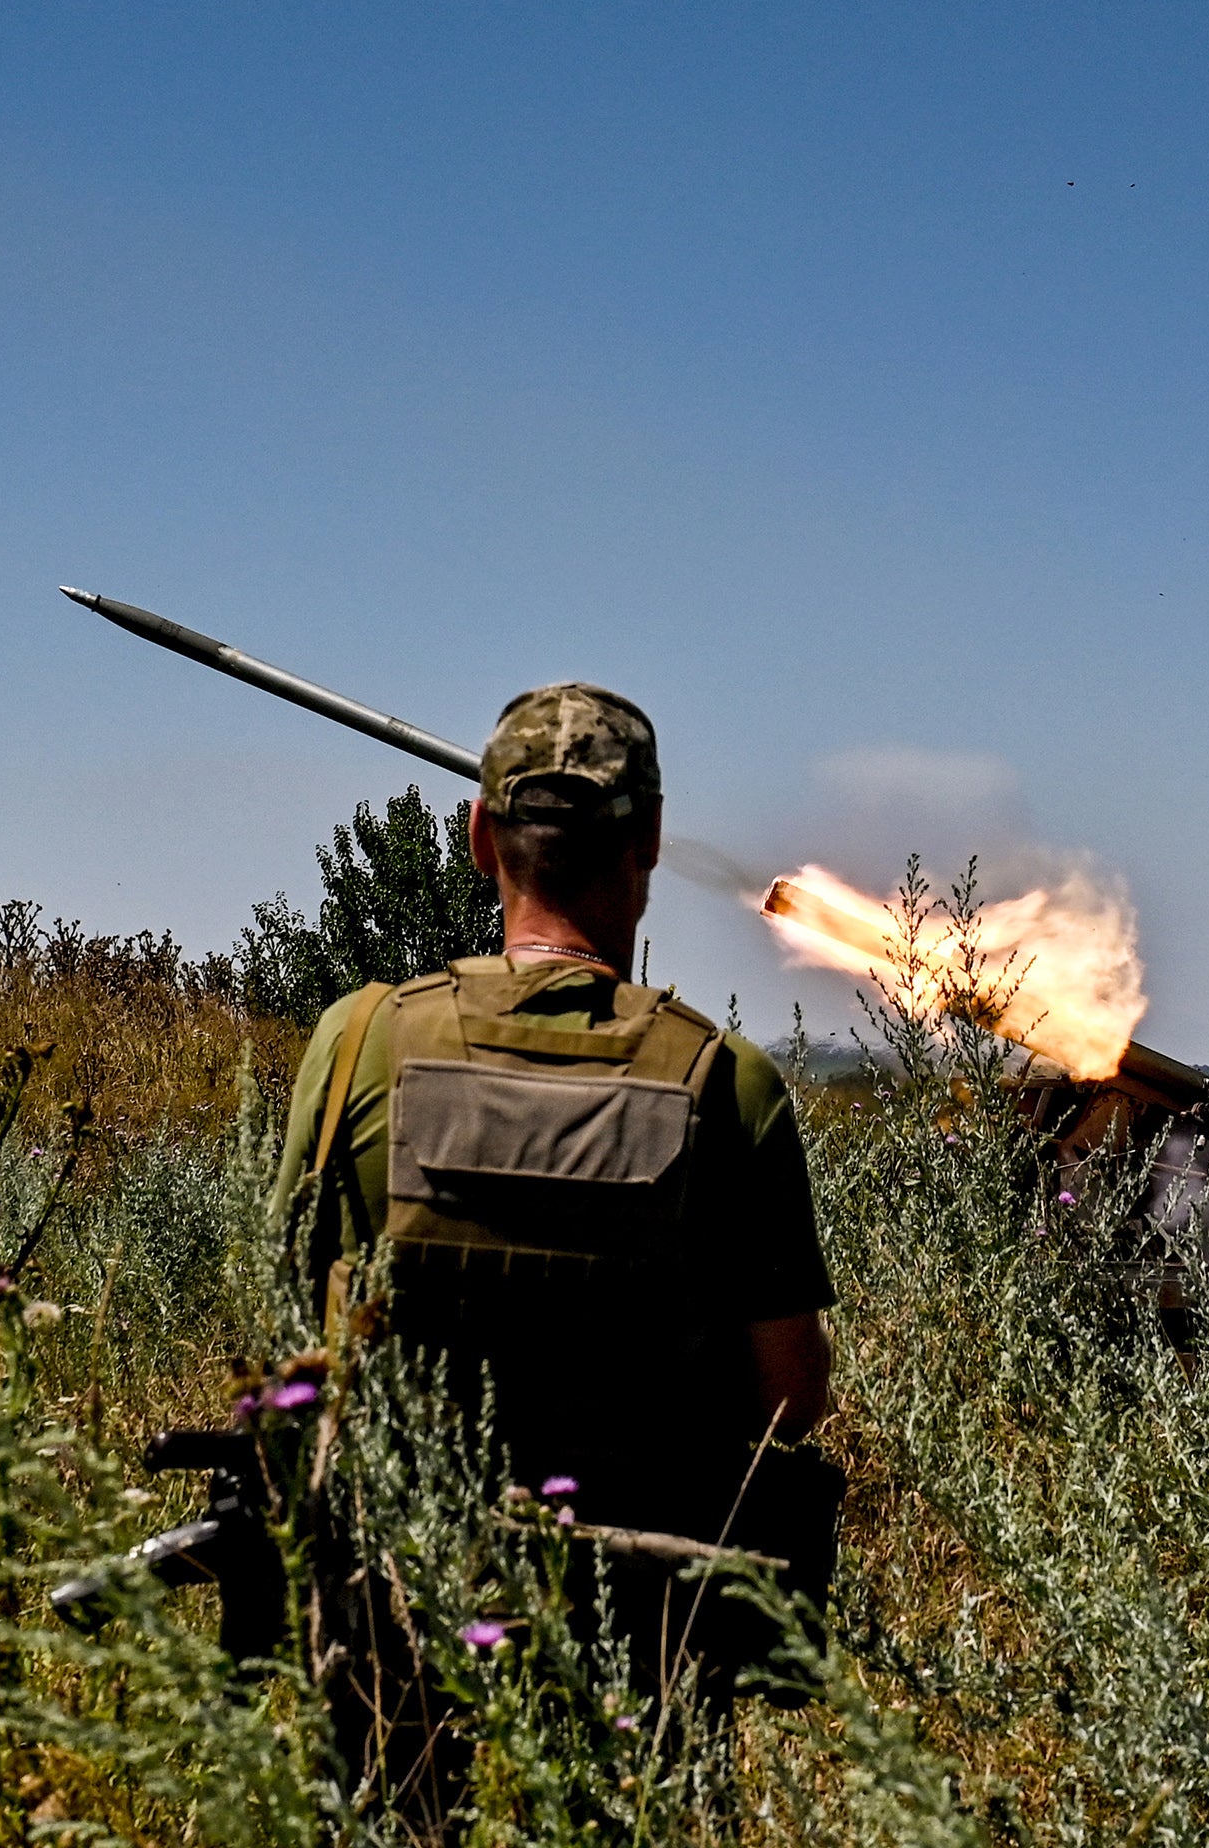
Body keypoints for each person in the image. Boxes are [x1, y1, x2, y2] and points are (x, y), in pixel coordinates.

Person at [274, 683, 839, 1799]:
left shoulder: (359, 1043)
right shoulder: (729, 1085)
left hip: (401, 1608)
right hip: (642, 1634)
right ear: (652, 844)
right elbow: (788, 1397)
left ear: (482, 836)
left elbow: (303, 1306)